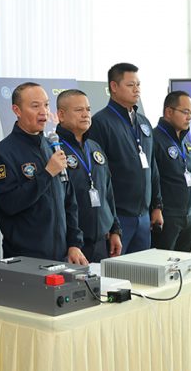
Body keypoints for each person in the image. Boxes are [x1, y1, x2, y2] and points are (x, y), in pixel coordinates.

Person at [0, 82, 86, 264]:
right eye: (35, 106)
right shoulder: (3, 152)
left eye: (46, 105)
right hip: (25, 258)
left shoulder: (53, 147)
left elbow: (69, 201)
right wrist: (47, 173)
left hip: (61, 256)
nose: (44, 111)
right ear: (17, 110)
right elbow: (9, 203)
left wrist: (74, 243)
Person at [88, 63, 163, 254]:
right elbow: (98, 176)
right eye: (130, 85)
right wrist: (111, 223)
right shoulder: (100, 123)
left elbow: (152, 166)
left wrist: (157, 205)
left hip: (143, 217)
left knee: (142, 269)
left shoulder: (144, 122)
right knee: (116, 271)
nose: (136, 89)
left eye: (138, 84)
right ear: (114, 86)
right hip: (119, 217)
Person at [55, 89, 122, 262]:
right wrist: (72, 242)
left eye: (88, 109)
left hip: (102, 241)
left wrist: (115, 229)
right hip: (72, 245)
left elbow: (108, 192)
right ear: (61, 115)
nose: (85, 114)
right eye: (79, 110)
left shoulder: (95, 147)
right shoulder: (54, 151)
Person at [151, 91, 191, 252]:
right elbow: (151, 179)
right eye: (185, 112)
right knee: (164, 263)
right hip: (167, 216)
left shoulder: (185, 140)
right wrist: (156, 208)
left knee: (185, 263)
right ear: (169, 112)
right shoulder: (154, 139)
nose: (189, 117)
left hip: (187, 215)